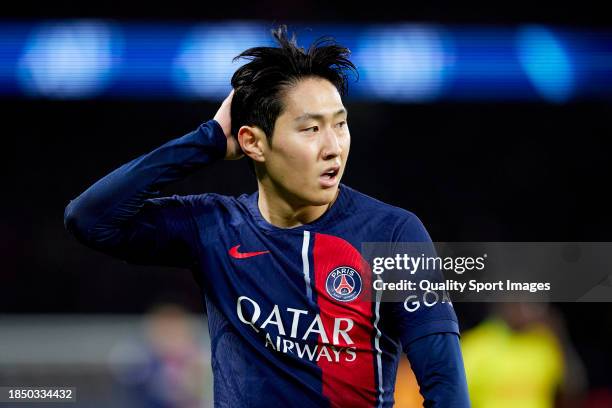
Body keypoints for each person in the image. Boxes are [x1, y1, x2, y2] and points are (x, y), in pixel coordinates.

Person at [64, 25, 469, 407]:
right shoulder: (214, 228)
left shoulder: (394, 233)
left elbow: (446, 387)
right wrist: (205, 140)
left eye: (340, 125)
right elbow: (91, 218)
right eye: (311, 129)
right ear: (253, 143)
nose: (333, 147)